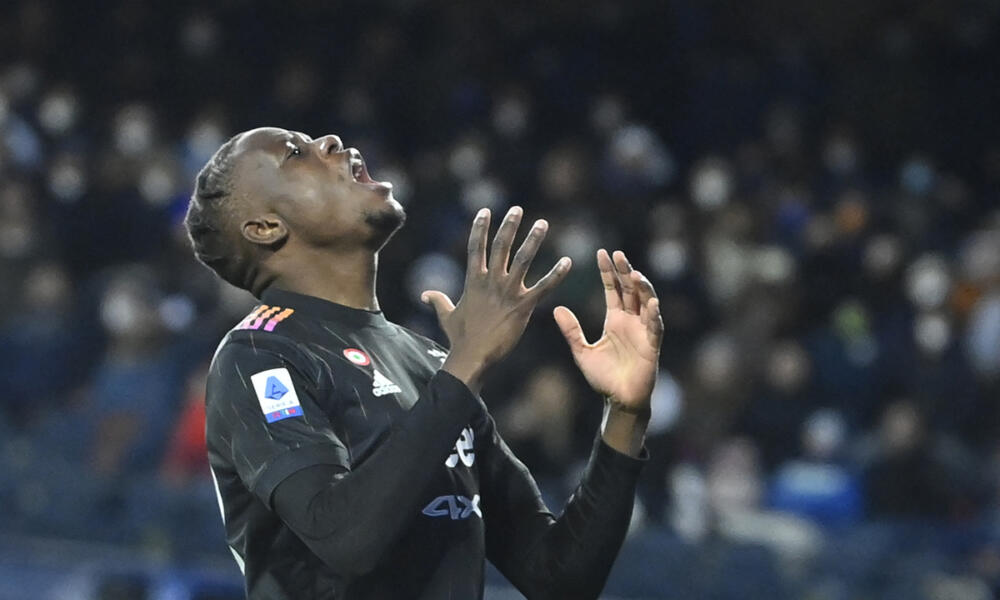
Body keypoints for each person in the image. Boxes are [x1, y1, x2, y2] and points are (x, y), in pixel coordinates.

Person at [185, 127, 663, 599]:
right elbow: (344, 537)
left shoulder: (431, 363)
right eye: (295, 153)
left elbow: (559, 578)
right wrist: (467, 361)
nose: (330, 142)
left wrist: (625, 416)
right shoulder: (258, 355)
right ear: (265, 227)